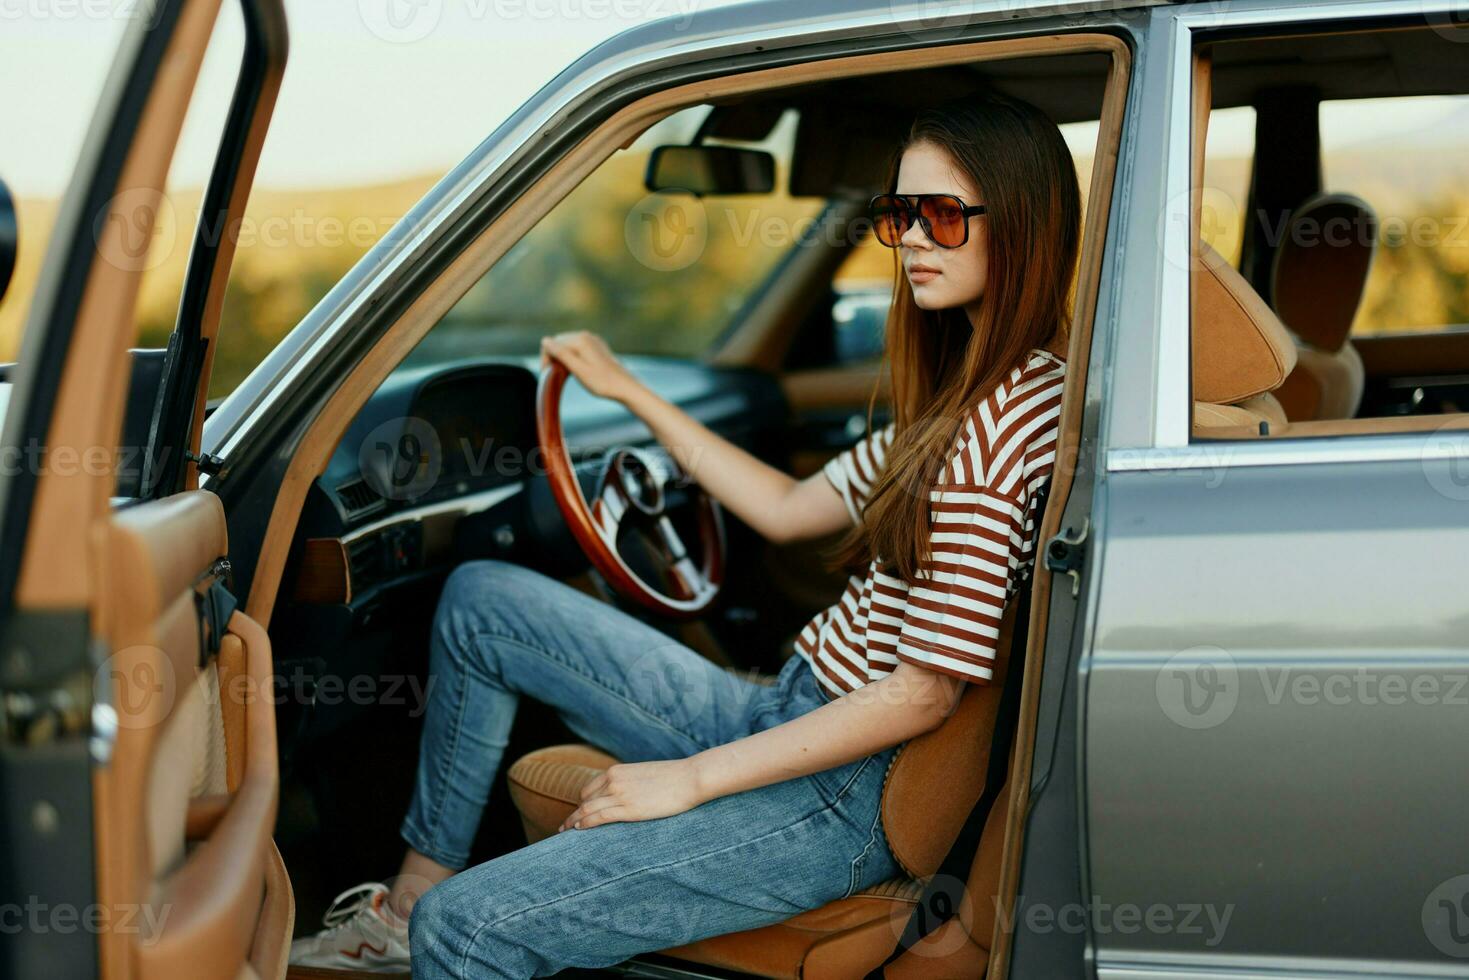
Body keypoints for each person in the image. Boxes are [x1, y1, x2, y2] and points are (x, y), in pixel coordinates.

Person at [288, 91, 1080, 977]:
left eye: (943, 215)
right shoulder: (967, 397)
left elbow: (924, 693)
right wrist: (627, 391)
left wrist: (689, 779)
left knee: (467, 930)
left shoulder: (994, 432)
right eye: (900, 216)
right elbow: (789, 509)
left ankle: (423, 924)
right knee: (483, 603)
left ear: (1022, 223)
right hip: (791, 709)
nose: (915, 241)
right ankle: (401, 907)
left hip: (840, 795)